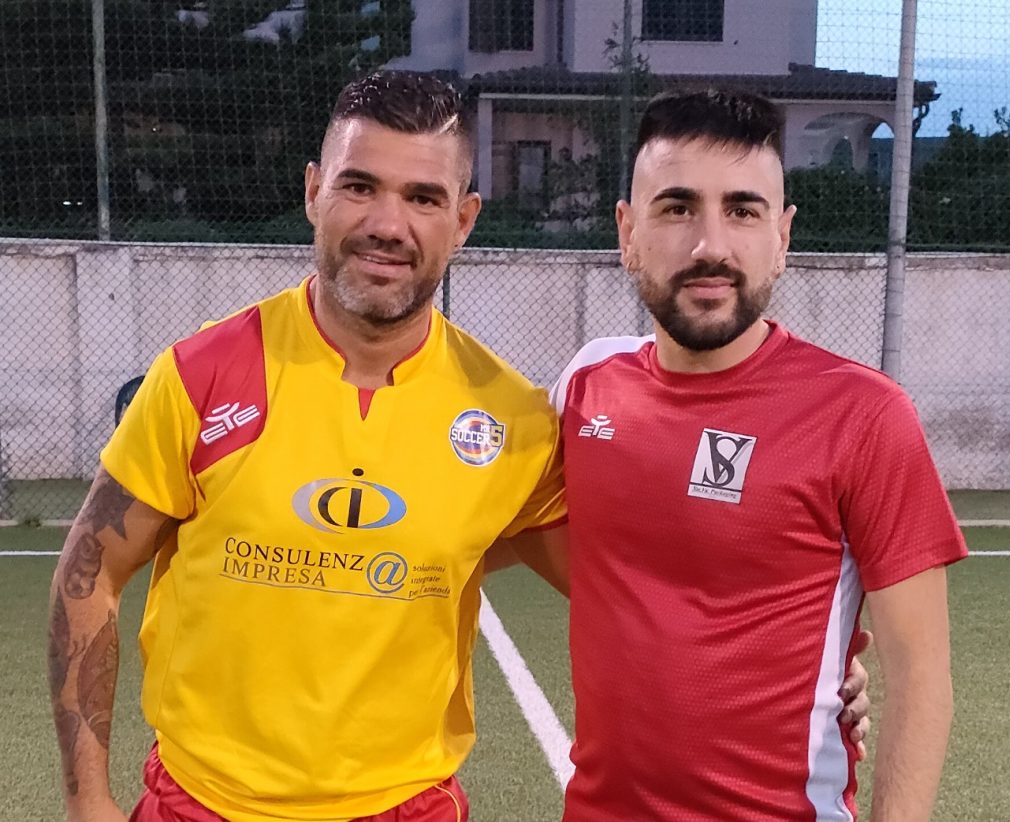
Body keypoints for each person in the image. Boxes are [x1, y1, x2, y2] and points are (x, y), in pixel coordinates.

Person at [47, 71, 868, 822]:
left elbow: (631, 591)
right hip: (201, 805)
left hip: (409, 808)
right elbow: (89, 573)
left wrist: (813, 663)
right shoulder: (200, 375)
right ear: (313, 192)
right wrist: (89, 800)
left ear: (464, 219)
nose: (388, 225)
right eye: (359, 186)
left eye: (423, 197)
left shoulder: (509, 419)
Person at [545, 89, 967, 821]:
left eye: (742, 210)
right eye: (677, 208)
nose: (710, 245)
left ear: (783, 235)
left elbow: (922, 675)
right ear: (627, 232)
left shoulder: (863, 414)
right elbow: (511, 530)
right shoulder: (585, 385)